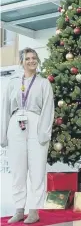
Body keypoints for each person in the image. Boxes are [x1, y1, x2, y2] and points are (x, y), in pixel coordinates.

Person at [1, 48, 54, 224]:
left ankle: (34, 210)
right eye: (27, 58)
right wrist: (3, 134)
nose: (31, 61)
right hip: (16, 124)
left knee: (37, 170)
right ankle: (18, 209)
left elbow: (48, 109)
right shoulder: (13, 82)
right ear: (22, 61)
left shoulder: (43, 83)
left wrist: (44, 133)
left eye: (34, 58)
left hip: (36, 123)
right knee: (18, 170)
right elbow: (5, 109)